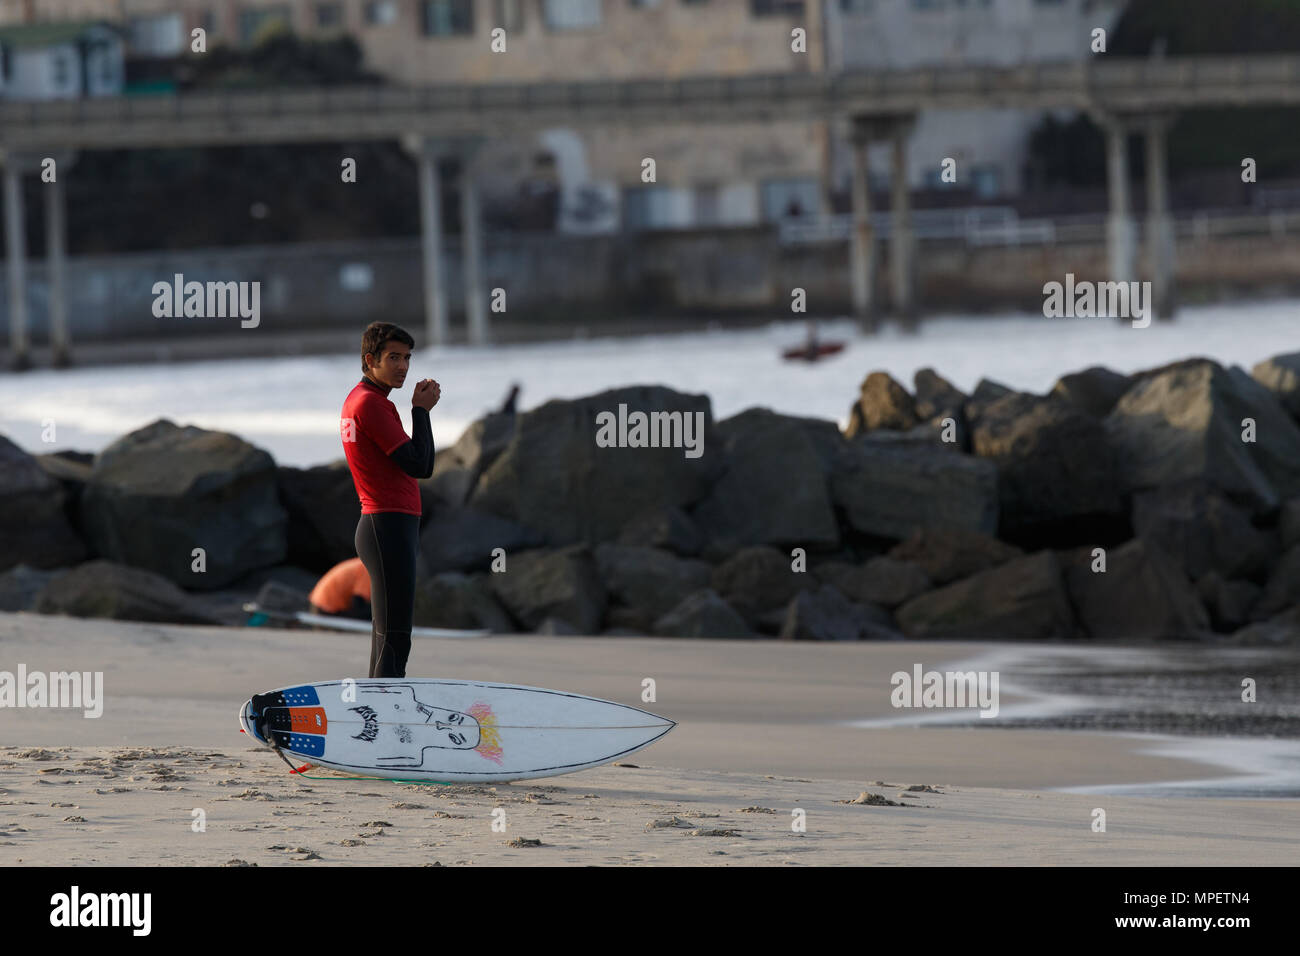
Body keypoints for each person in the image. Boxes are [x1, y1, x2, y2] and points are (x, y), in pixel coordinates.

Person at [339, 322, 439, 678]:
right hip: (387, 525)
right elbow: (420, 464)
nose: (403, 366)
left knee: (387, 637)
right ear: (370, 360)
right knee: (395, 637)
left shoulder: (364, 399)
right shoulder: (370, 404)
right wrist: (421, 411)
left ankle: (374, 717)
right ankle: (382, 717)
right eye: (393, 357)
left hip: (385, 525)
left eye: (407, 358)